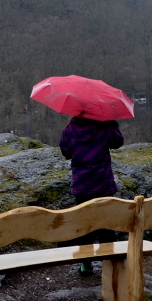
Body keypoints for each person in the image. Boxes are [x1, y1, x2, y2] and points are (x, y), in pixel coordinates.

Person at [60, 114, 124, 275]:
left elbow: (66, 151)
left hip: (82, 185)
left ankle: (85, 263)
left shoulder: (71, 129)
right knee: (106, 225)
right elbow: (118, 142)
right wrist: (111, 122)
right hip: (103, 183)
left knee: (84, 225)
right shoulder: (103, 127)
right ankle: (110, 262)